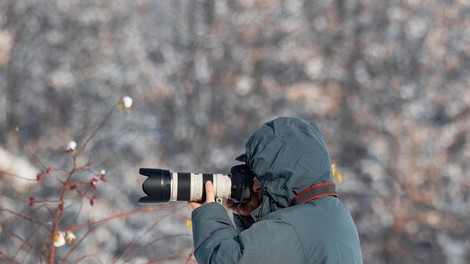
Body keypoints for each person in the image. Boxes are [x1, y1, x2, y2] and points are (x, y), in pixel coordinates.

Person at [189, 117, 363, 264]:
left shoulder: (294, 227)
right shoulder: (332, 214)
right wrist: (249, 216)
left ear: (282, 176)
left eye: (260, 177)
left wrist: (208, 215)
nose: (255, 185)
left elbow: (225, 260)